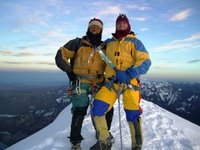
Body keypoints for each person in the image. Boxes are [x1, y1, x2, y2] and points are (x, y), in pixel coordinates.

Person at [90, 14, 151, 150]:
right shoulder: (108, 42)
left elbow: (146, 62)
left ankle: (137, 145)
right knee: (97, 109)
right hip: (111, 82)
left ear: (128, 25)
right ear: (116, 26)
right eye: (119, 24)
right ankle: (105, 140)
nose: (121, 25)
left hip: (130, 83)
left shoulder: (135, 42)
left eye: (123, 23)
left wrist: (129, 73)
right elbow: (98, 52)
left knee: (132, 114)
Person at [55, 18, 114, 150]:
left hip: (98, 81)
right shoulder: (78, 43)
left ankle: (103, 134)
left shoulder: (103, 48)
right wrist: (70, 71)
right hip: (80, 81)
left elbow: (111, 65)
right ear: (88, 28)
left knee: (106, 108)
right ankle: (75, 142)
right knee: (80, 110)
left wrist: (115, 76)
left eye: (97, 27)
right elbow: (60, 55)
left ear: (101, 30)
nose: (94, 29)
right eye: (92, 26)